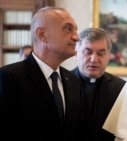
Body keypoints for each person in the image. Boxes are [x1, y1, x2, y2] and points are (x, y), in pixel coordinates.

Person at [0, 7, 83, 140]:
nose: (76, 37)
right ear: (42, 34)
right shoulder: (9, 77)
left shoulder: (73, 80)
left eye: (75, 30)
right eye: (68, 28)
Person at [72, 27, 126, 141]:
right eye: (88, 52)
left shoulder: (123, 88)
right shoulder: (62, 83)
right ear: (76, 54)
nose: (94, 59)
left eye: (101, 53)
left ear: (108, 56)